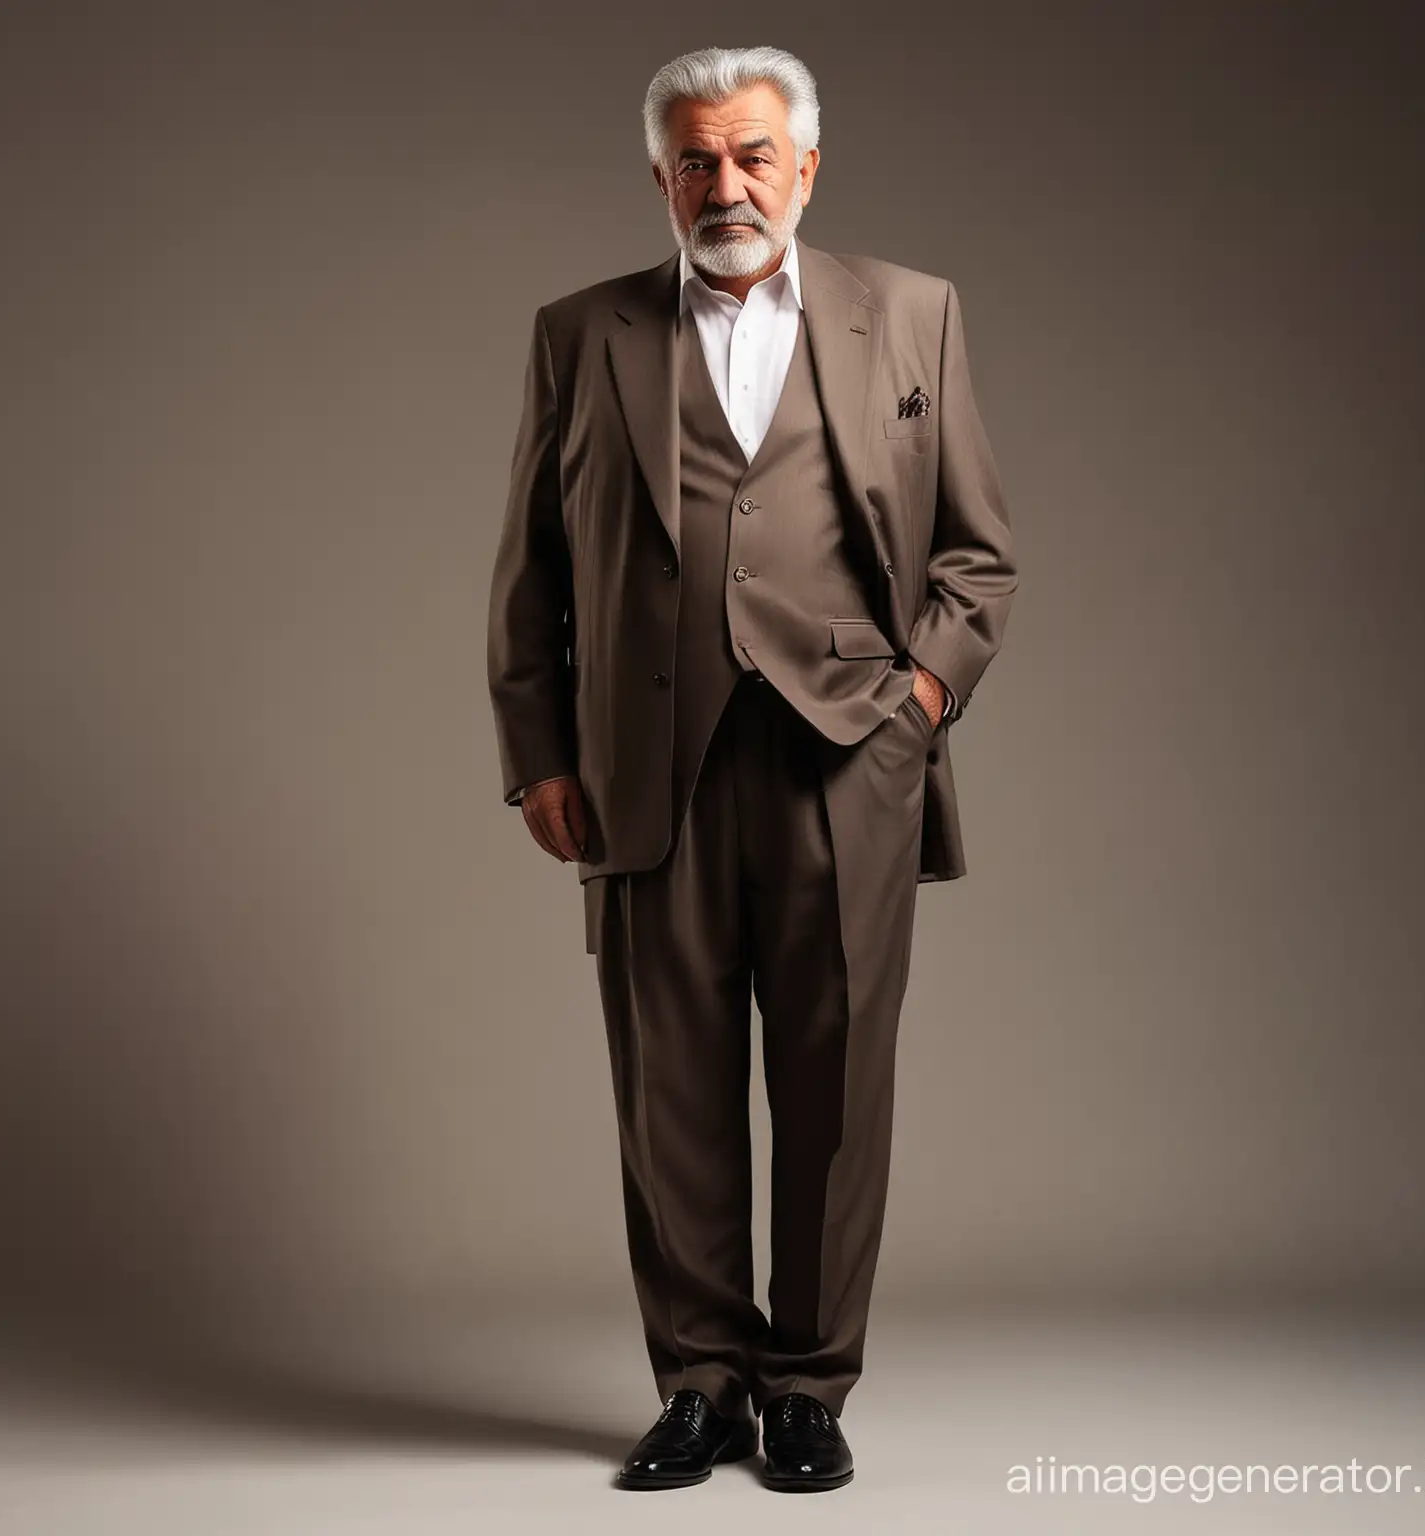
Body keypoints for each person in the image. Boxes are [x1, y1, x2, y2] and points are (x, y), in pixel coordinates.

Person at [485, 43, 1018, 1493]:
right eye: (696, 162)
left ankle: (810, 1387)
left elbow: (978, 554)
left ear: (806, 166)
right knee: (671, 1090)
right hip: (644, 768)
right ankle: (701, 1385)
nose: (726, 186)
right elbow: (531, 566)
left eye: (753, 157)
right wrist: (537, 751)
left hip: (850, 761)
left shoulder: (911, 315)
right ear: (661, 176)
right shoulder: (578, 333)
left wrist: (917, 696)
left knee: (840, 1089)